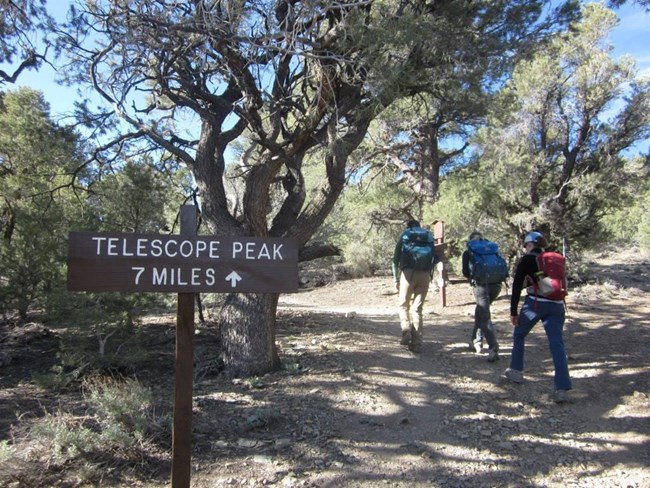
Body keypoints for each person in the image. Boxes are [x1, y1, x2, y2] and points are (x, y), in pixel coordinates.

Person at [504, 231, 572, 403]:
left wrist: (513, 311)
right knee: (557, 343)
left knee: (519, 334)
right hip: (557, 305)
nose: (525, 248)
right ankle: (562, 388)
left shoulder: (527, 260)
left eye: (525, 245)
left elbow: (517, 286)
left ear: (529, 244)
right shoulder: (553, 259)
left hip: (535, 304)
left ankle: (516, 371)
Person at [391, 220, 439, 353]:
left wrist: (396, 279)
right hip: (425, 275)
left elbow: (395, 259)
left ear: (409, 227)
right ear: (418, 226)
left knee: (403, 304)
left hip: (408, 274)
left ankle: (406, 330)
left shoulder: (406, 235)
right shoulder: (428, 236)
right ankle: (417, 342)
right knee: (417, 309)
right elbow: (435, 257)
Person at [462, 231, 501, 362]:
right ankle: (476, 341)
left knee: (485, 316)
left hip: (481, 286)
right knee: (481, 312)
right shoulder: (491, 249)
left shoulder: (468, 253)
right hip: (497, 285)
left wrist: (472, 279)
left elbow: (465, 272)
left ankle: (493, 347)